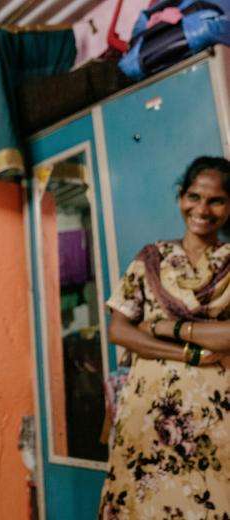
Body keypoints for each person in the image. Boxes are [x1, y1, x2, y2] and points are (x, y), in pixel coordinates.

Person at [99, 156, 230, 519]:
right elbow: (118, 331)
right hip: (149, 414)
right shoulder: (151, 258)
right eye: (194, 196)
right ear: (180, 198)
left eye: (216, 200)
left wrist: (163, 328)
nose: (202, 209)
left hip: (217, 420)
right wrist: (191, 353)